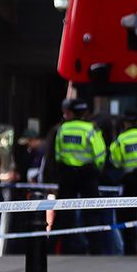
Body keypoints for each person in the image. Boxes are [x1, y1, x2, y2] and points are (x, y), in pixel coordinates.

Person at [53, 98, 106, 254]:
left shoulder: (63, 129)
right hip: (87, 174)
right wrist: (97, 169)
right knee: (91, 212)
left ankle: (66, 248)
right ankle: (95, 249)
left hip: (68, 174)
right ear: (84, 113)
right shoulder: (90, 130)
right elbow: (100, 153)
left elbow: (58, 154)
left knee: (64, 212)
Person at [108, 114, 137, 255]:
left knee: (127, 213)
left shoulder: (121, 140)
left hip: (129, 178)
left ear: (125, 123)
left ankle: (130, 248)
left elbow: (116, 162)